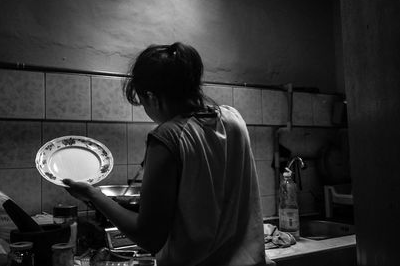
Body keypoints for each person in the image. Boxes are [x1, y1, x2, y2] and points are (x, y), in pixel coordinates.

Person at [64, 42, 274, 266]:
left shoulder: (167, 137)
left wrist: (93, 195)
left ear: (152, 97)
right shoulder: (233, 119)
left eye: (142, 102)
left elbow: (149, 237)